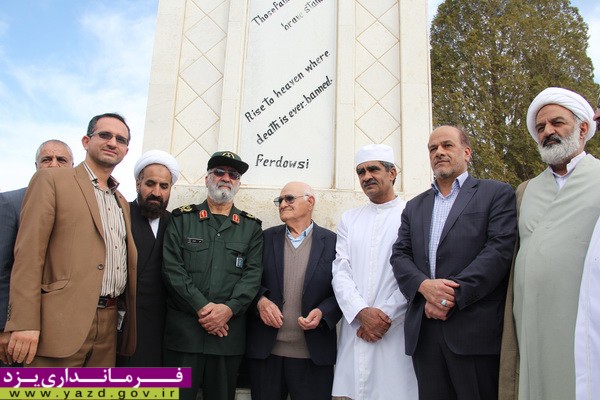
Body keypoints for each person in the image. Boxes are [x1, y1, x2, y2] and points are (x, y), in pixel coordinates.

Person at [390, 125, 517, 399]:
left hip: (473, 332)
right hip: (425, 333)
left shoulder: (496, 193)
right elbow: (400, 255)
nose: (439, 152)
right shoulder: (414, 206)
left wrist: (449, 297)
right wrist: (424, 287)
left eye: (447, 145)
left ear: (467, 152)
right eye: (433, 148)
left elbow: (498, 251)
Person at [5, 113, 137, 367]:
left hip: (108, 326)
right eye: (105, 135)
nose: (113, 142)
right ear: (86, 141)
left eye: (120, 139)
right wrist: (23, 322)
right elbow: (28, 255)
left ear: (126, 150)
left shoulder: (121, 200)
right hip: (59, 324)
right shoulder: (51, 180)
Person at [500, 87, 600, 400]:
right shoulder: (525, 191)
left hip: (584, 321)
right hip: (531, 322)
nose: (547, 132)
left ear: (582, 128)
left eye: (557, 123)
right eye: (541, 127)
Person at [162, 151, 263, 400]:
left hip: (227, 338)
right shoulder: (182, 219)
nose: (226, 178)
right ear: (207, 179)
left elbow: (252, 275)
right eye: (219, 172)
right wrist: (202, 307)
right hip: (184, 337)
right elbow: (172, 269)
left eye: (233, 175)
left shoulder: (251, 227)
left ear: (238, 183)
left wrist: (227, 310)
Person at [331, 144, 417, 400]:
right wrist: (360, 312)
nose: (366, 176)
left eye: (373, 169)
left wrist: (384, 317)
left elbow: (415, 273)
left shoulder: (412, 214)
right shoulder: (350, 219)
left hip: (396, 328)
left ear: (392, 173)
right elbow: (340, 270)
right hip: (356, 327)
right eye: (361, 172)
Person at [246, 181, 341, 400]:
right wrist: (260, 301)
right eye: (279, 200)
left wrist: (324, 312)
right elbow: (246, 280)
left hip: (313, 356)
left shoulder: (333, 242)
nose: (282, 204)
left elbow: (343, 290)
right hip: (266, 355)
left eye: (289, 199)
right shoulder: (264, 238)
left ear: (310, 202)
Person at [0, 139, 74, 365]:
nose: (53, 164)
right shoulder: (11, 202)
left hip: (63, 328)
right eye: (46, 159)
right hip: (17, 331)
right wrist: (4, 326)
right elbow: (2, 269)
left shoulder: (79, 209)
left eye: (61, 160)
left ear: (72, 167)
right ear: (36, 166)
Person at [116, 150, 179, 367]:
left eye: (164, 186)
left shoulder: (175, 223)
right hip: (124, 323)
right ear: (137, 184)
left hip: (163, 325)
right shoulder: (120, 214)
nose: (156, 192)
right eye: (150, 184)